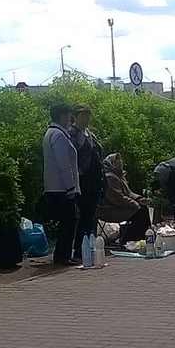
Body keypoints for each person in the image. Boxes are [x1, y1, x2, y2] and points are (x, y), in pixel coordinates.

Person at [42, 103, 81, 266]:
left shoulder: (52, 133)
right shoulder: (58, 135)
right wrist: (71, 187)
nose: (70, 118)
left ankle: (62, 254)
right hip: (62, 188)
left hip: (55, 186)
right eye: (67, 115)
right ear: (61, 116)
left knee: (67, 222)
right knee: (69, 222)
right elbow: (64, 164)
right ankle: (62, 255)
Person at [69, 105, 105, 261]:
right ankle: (79, 249)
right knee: (83, 216)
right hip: (83, 180)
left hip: (95, 180)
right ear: (75, 117)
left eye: (88, 116)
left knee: (91, 216)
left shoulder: (90, 133)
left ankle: (91, 247)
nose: (86, 119)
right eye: (83, 116)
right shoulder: (72, 133)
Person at [97, 153, 152, 243]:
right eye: (117, 161)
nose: (120, 163)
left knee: (143, 209)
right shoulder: (110, 177)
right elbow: (117, 198)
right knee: (140, 212)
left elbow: (129, 193)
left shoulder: (119, 176)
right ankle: (129, 239)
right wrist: (135, 204)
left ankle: (141, 237)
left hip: (118, 206)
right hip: (109, 209)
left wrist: (139, 199)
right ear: (112, 163)